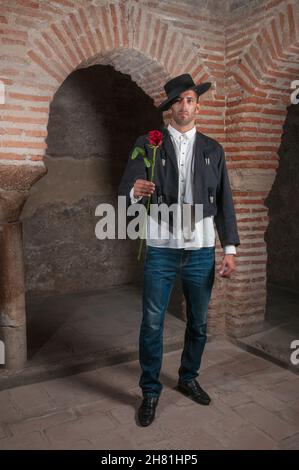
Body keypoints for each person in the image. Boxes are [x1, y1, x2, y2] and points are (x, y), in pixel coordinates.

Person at [118, 74, 240, 426]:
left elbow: (225, 203)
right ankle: (151, 391)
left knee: (199, 323)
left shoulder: (213, 149)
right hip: (161, 247)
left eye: (189, 100)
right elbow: (129, 182)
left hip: (202, 250)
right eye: (176, 101)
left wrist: (228, 248)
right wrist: (135, 190)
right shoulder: (149, 143)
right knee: (152, 323)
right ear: (169, 108)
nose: (183, 106)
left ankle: (188, 377)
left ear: (197, 106)